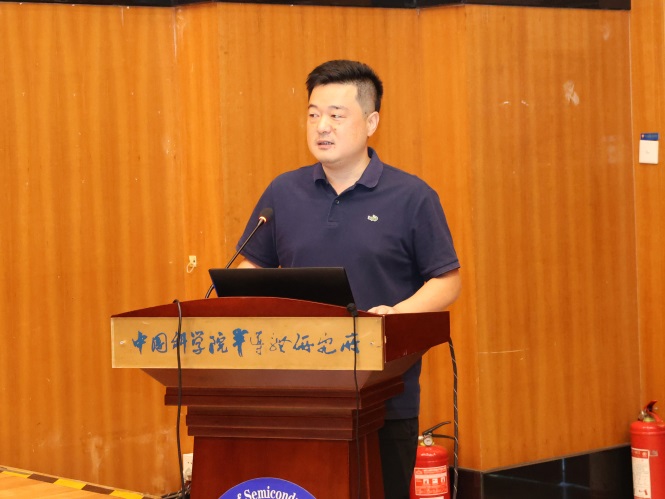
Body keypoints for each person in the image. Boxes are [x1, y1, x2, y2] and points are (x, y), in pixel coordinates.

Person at [235, 59, 461, 499]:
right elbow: (252, 268)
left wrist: (394, 315)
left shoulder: (412, 197)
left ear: (371, 122)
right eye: (313, 114)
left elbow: (447, 280)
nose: (322, 126)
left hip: (384, 395)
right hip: (297, 392)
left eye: (336, 115)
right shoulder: (283, 192)